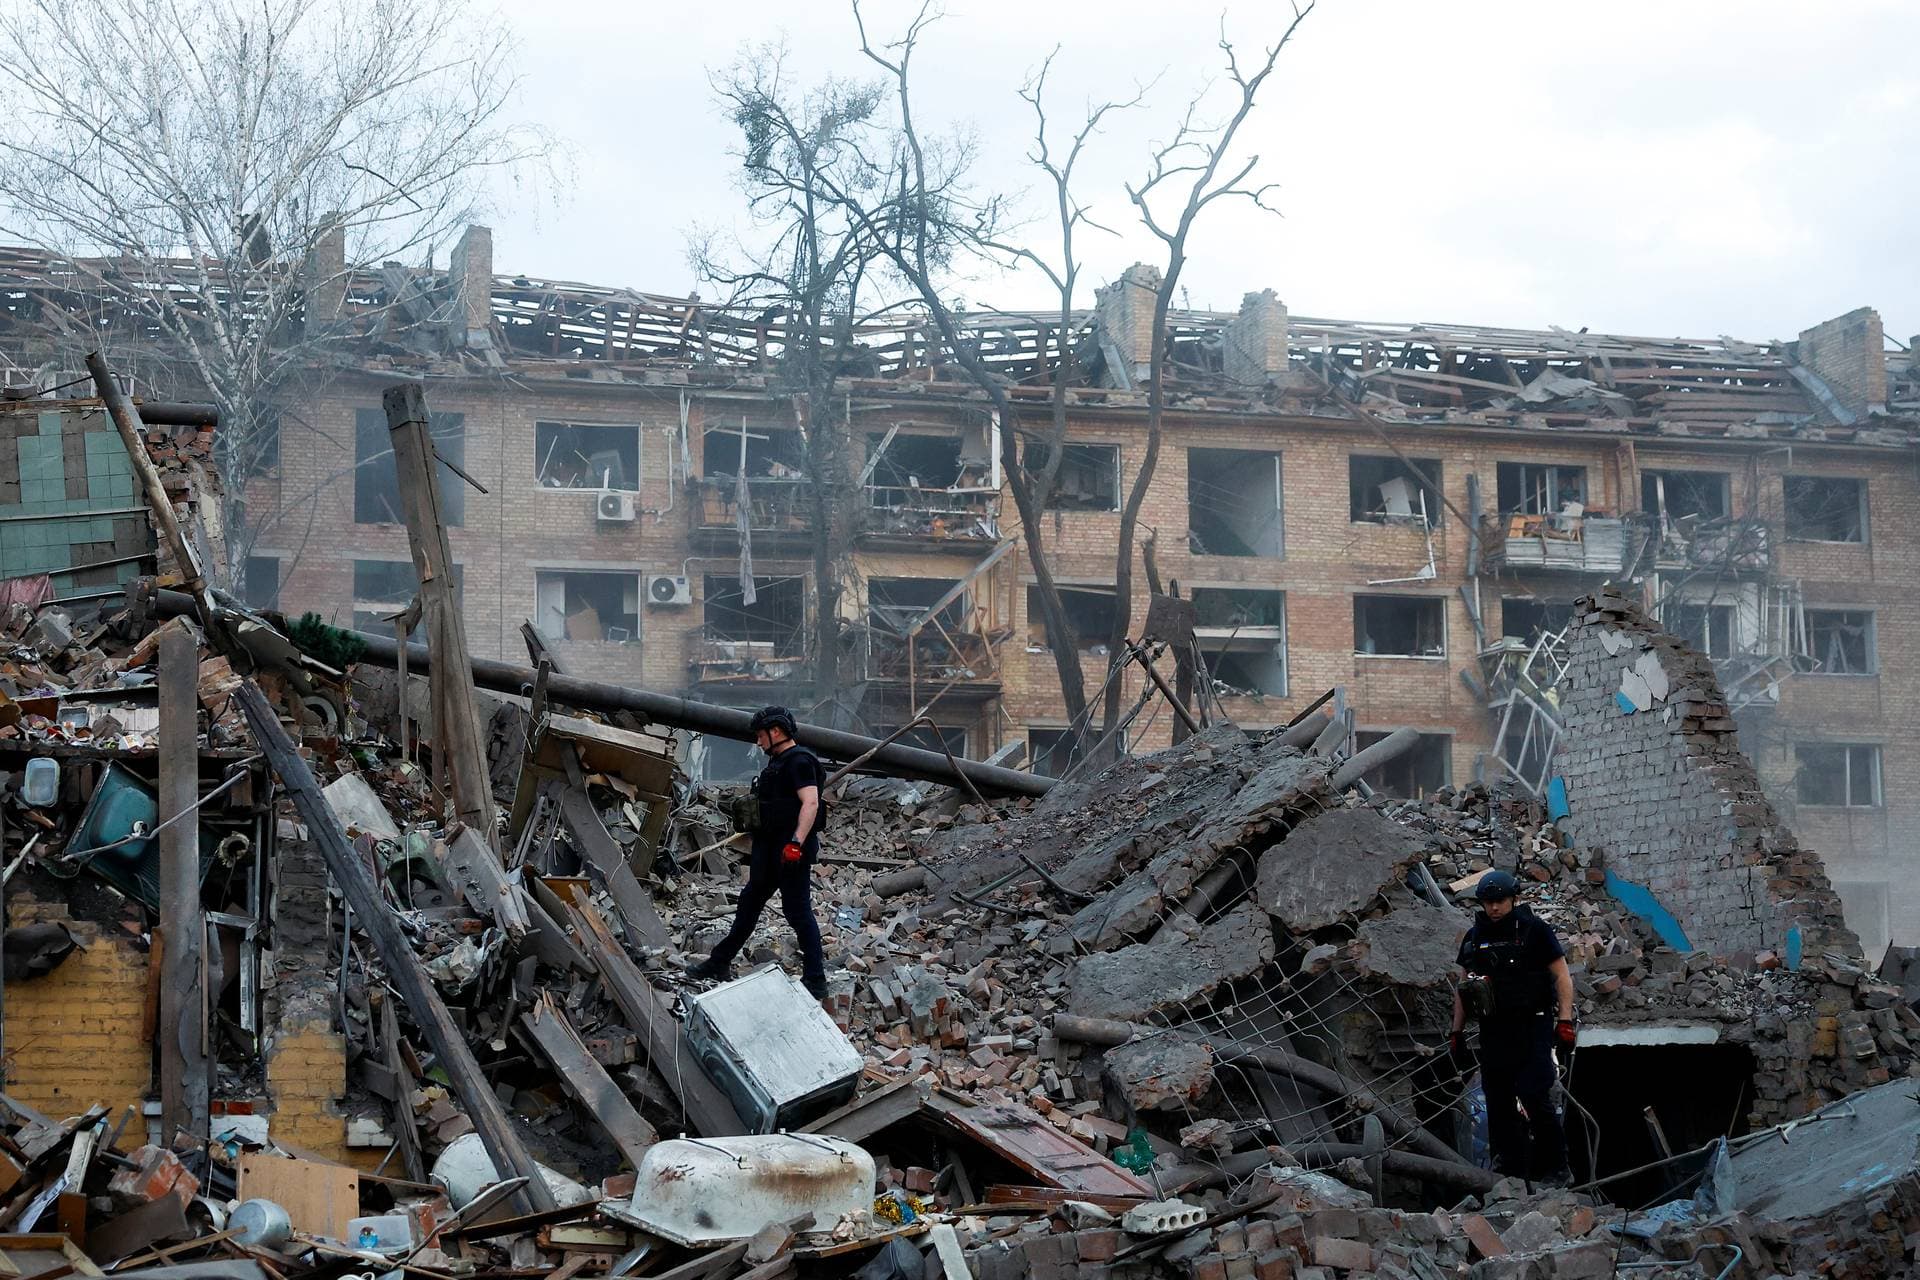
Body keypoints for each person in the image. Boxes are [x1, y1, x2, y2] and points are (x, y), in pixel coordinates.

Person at [686, 706, 829, 998]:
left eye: (761, 735)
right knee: (749, 904)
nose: (758, 741)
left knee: (797, 912)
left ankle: (816, 980)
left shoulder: (799, 761)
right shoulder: (778, 763)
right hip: (769, 849)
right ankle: (719, 961)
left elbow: (811, 803)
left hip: (789, 851)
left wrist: (796, 843)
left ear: (776, 732)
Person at [1450, 869, 1576, 1184]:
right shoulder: (1474, 938)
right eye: (1488, 902)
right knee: (1498, 1098)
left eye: (1500, 901)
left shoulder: (1535, 931)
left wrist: (1564, 1021)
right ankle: (1509, 1169)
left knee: (1534, 1092)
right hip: (1494, 1030)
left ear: (1513, 899)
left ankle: (1557, 1167)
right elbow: (1462, 988)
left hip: (1533, 1025)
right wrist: (1456, 1032)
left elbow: (1562, 976)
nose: (1494, 907)